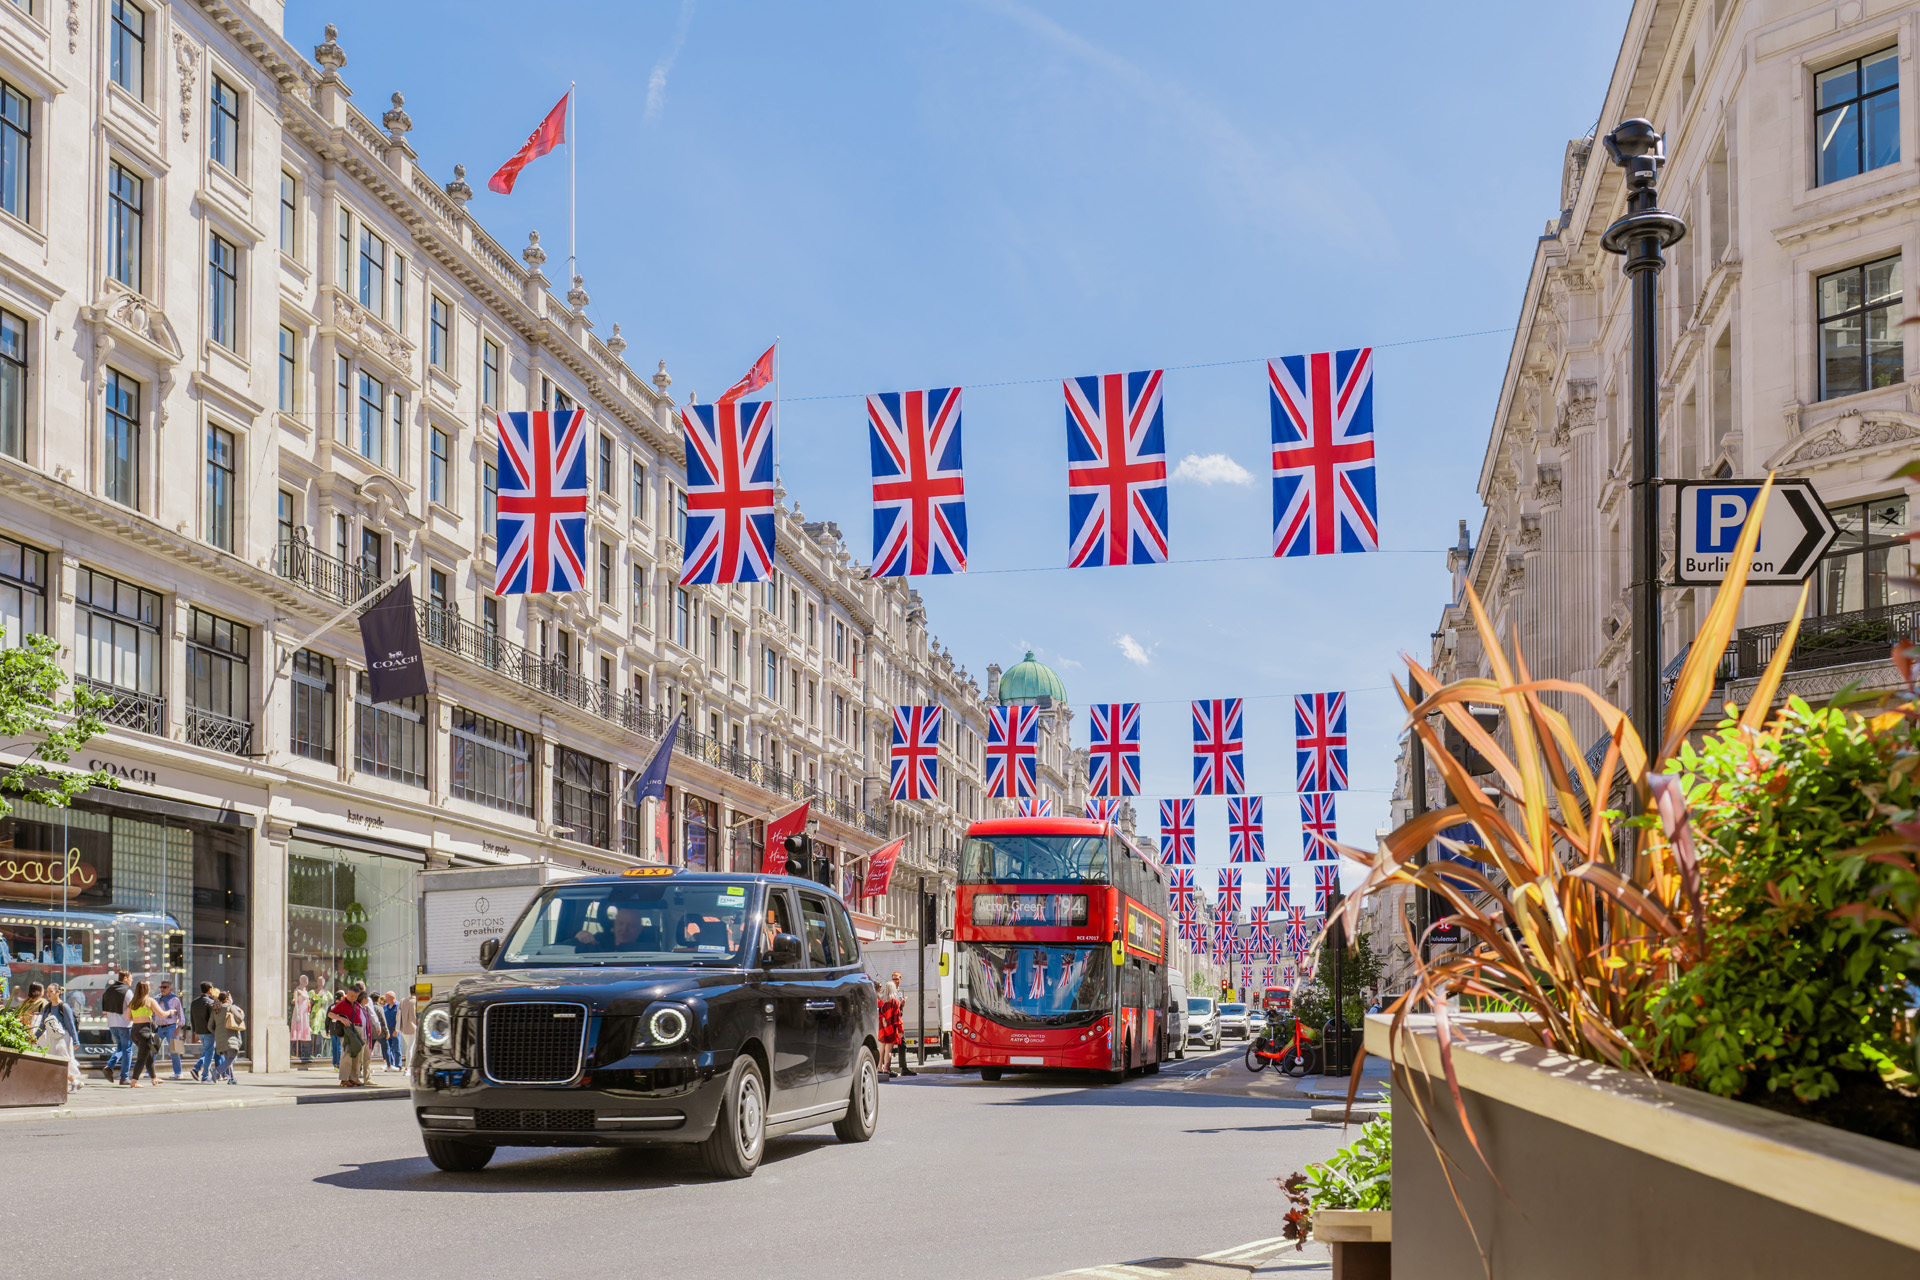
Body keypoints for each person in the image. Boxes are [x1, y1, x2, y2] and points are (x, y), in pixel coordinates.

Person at [329, 985, 370, 1087]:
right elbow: (330, 1014)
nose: (353, 998)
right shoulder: (342, 1003)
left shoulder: (356, 1005)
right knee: (347, 1054)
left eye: (356, 996)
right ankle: (344, 1079)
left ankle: (354, 1078)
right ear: (347, 994)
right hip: (349, 1031)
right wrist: (341, 1019)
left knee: (357, 1055)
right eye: (351, 996)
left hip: (358, 1030)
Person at [879, 971, 913, 1079]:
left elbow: (879, 1011)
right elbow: (896, 1015)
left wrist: (902, 1005)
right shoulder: (893, 999)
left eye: (897, 978)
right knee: (888, 1048)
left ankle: (882, 1067)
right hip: (892, 1025)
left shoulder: (884, 998)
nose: (895, 980)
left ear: (900, 979)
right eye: (894, 979)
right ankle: (887, 1068)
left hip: (884, 1026)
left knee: (884, 1048)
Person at [125, 981, 159, 1088]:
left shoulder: (133, 1002)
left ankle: (154, 1079)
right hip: (144, 1031)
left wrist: (137, 1018)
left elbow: (127, 1018)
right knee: (141, 1059)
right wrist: (171, 1012)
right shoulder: (149, 1001)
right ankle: (134, 1081)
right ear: (147, 989)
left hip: (134, 1031)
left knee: (148, 1056)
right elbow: (161, 1013)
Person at [100, 969, 132, 1083]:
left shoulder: (108, 991)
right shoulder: (127, 992)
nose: (131, 980)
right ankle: (124, 1077)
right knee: (127, 1049)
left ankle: (109, 1066)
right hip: (125, 1024)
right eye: (130, 978)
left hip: (112, 1024)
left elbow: (104, 1011)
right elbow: (132, 1007)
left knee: (120, 1047)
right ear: (125, 978)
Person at [211, 990, 245, 1083]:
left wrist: (217, 1032)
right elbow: (240, 1018)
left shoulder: (216, 1009)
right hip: (231, 1037)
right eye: (230, 997)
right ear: (227, 999)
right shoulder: (231, 1007)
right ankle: (216, 1071)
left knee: (228, 1060)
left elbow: (210, 1026)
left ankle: (231, 1079)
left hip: (219, 1038)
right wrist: (241, 1012)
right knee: (232, 1058)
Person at [155, 981, 185, 1080]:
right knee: (153, 1049)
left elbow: (181, 1014)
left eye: (165, 987)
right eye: (161, 987)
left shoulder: (175, 999)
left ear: (170, 989)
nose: (162, 989)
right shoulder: (157, 999)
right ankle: (149, 1071)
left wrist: (179, 1027)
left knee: (175, 1050)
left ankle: (178, 1072)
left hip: (171, 1027)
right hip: (159, 1027)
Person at [189, 982, 219, 1081]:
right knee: (209, 1054)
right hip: (209, 1032)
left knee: (207, 1051)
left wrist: (195, 1031)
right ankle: (205, 1076)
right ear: (210, 989)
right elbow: (213, 1019)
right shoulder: (210, 1002)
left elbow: (192, 1018)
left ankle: (196, 1069)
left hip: (199, 1031)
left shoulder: (194, 1002)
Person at [290, 975, 314, 1065]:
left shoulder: (305, 990)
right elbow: (295, 1002)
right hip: (299, 1012)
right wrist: (297, 1014)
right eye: (304, 979)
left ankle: (303, 1051)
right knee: (298, 1029)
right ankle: (295, 1051)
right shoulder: (298, 990)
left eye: (307, 979)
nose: (306, 981)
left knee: (304, 1029)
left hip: (305, 1013)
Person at [380, 992, 402, 1071]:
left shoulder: (399, 1006)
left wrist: (397, 1030)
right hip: (387, 1031)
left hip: (395, 1030)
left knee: (396, 1048)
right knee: (388, 1048)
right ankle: (390, 1065)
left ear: (392, 997)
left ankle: (398, 1065)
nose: (386, 999)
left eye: (387, 998)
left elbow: (400, 1019)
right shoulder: (386, 1006)